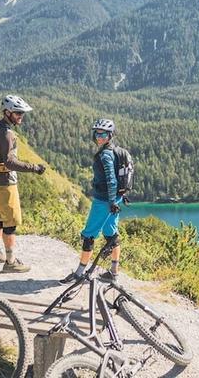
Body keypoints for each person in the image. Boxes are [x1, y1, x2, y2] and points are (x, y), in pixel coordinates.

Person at [0, 94, 46, 272]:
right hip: (5, 182)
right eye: (18, 113)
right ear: (7, 112)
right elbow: (9, 162)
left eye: (21, 113)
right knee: (11, 222)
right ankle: (10, 262)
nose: (21, 116)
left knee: (3, 216)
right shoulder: (7, 134)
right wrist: (34, 168)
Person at [60, 118, 124, 284]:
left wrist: (110, 201)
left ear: (110, 135)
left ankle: (80, 273)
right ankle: (114, 272)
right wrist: (115, 201)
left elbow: (111, 178)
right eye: (97, 133)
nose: (99, 137)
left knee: (89, 235)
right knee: (111, 234)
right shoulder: (115, 151)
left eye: (103, 134)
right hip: (115, 199)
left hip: (104, 201)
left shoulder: (105, 155)